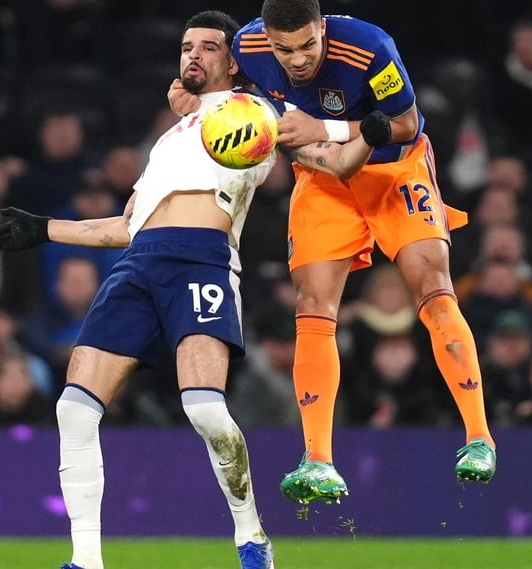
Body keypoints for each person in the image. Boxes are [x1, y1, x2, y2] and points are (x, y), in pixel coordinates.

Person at [0, 10, 389, 569]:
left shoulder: (258, 114)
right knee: (73, 409)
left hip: (201, 259)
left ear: (234, 58)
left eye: (207, 47)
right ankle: (86, 564)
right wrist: (44, 228)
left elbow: (337, 156)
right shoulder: (169, 137)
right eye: (185, 47)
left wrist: (367, 131)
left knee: (203, 409)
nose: (192, 56)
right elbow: (128, 225)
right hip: (138, 264)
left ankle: (251, 537)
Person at [169, 0, 496, 505]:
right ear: (268, 41)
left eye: (306, 46)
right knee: (313, 307)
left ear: (322, 28)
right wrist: (194, 94)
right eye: (285, 50)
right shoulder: (250, 46)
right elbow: (229, 88)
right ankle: (318, 459)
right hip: (322, 180)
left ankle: (478, 439)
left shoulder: (370, 47)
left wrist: (329, 129)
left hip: (395, 169)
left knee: (432, 288)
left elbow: (406, 124)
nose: (297, 60)